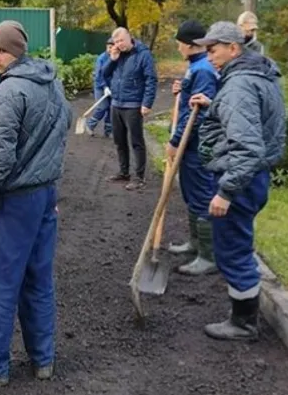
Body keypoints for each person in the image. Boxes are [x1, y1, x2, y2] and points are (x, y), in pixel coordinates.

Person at [0, 20, 73, 385]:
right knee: (39, 279)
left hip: (16, 202)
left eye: (2, 50)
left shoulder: (9, 94)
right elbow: (61, 135)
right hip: (44, 198)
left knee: (0, 282)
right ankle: (43, 360)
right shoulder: (52, 85)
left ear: (18, 51)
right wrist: (50, 188)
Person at [190, 21, 286, 341]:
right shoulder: (258, 75)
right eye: (206, 50)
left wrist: (226, 192)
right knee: (238, 244)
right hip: (253, 176)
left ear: (234, 48)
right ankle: (244, 313)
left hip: (240, 179)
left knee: (232, 250)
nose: (209, 56)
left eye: (214, 49)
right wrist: (213, 106)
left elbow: (247, 146)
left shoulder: (238, 86)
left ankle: (243, 323)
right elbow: (251, 120)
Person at [165, 20, 220, 276]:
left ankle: (208, 256)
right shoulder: (195, 68)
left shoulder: (204, 70)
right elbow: (189, 101)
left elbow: (196, 115)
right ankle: (195, 243)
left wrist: (176, 141)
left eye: (179, 43)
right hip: (190, 146)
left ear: (189, 45)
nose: (177, 48)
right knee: (191, 193)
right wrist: (182, 88)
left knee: (200, 194)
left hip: (197, 145)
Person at [103, 27, 158, 190]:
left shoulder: (143, 54)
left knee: (136, 141)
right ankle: (124, 172)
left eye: (121, 41)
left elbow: (151, 80)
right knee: (119, 141)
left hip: (134, 105)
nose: (119, 44)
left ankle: (139, 177)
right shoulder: (117, 55)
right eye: (116, 42)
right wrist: (112, 59)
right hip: (116, 103)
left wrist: (147, 103)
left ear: (129, 38)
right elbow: (104, 74)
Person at [85, 38, 115, 137]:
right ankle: (90, 125)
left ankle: (108, 131)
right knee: (102, 107)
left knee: (112, 109)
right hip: (100, 86)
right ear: (106, 47)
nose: (111, 49)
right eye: (109, 47)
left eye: (113, 47)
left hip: (112, 88)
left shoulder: (116, 58)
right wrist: (105, 87)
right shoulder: (101, 58)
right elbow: (98, 75)